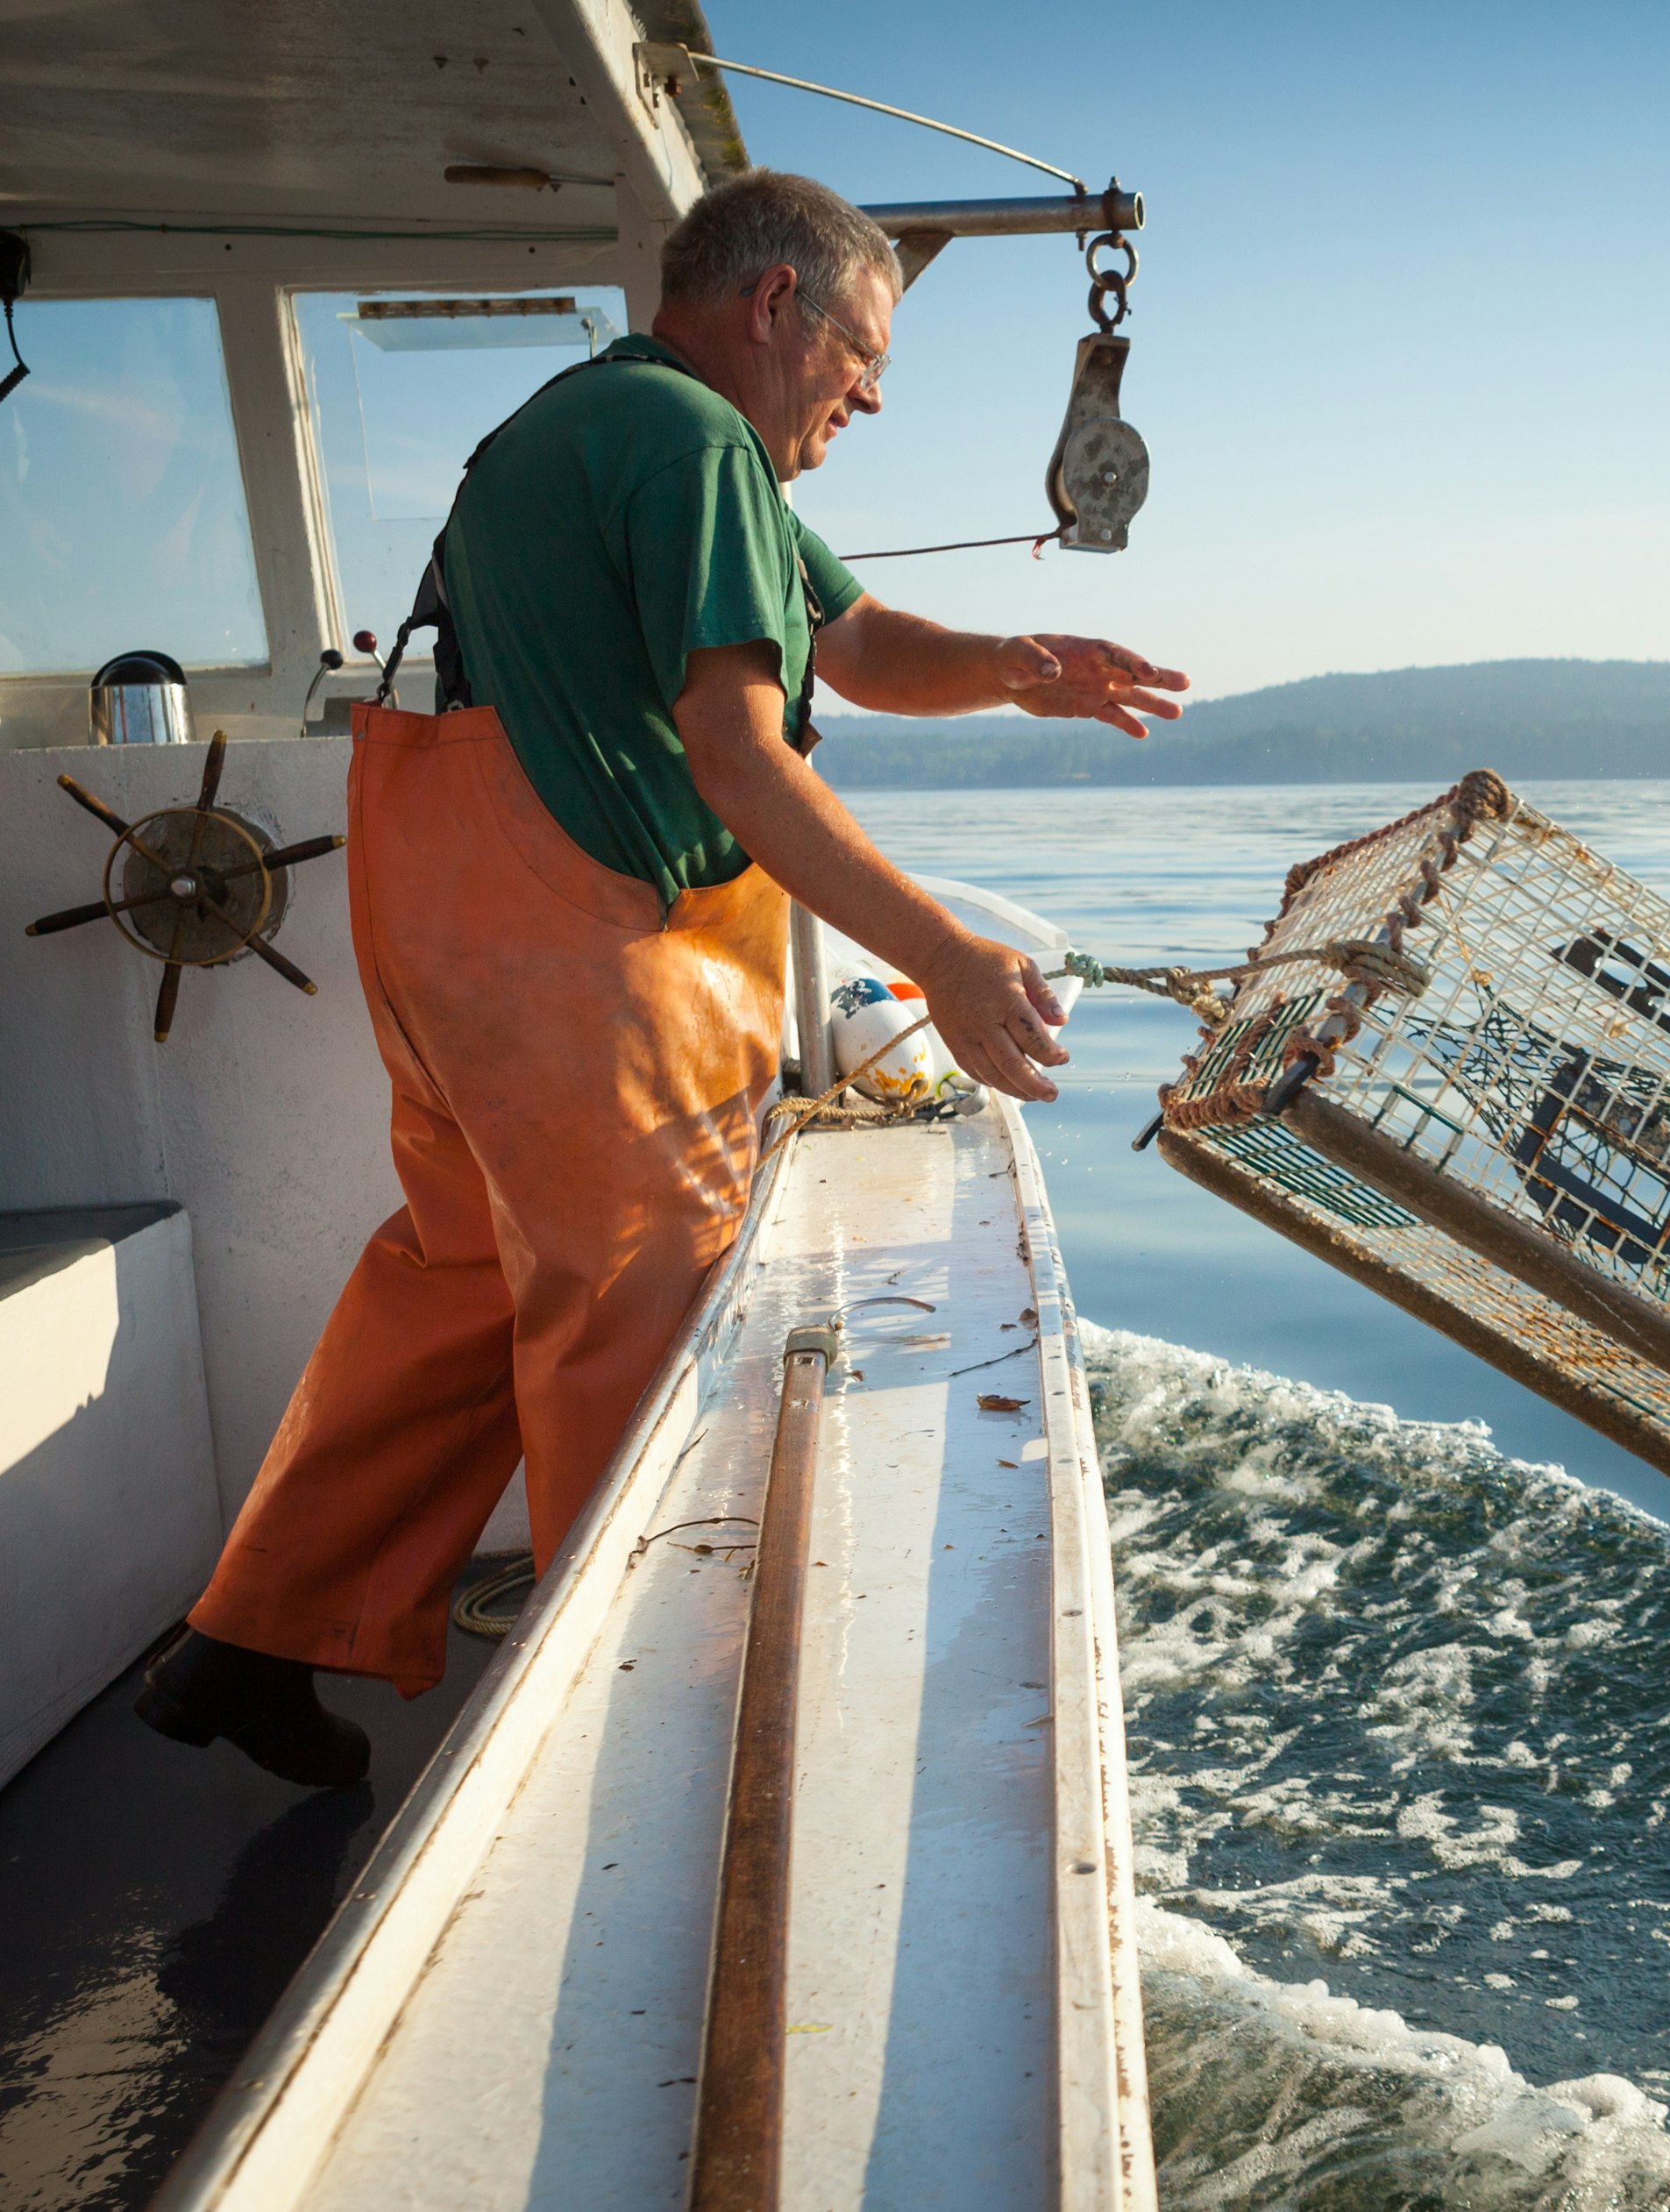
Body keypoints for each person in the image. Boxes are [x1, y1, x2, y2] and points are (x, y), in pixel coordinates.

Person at [136, 170, 1187, 1785]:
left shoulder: (619, 436)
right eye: (864, 346)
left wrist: (1017, 671)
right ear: (775, 305)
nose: (877, 389)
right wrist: (951, 961)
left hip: (451, 946)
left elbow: (853, 639)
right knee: (633, 1334)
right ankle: (634, 1745)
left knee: (461, 1286)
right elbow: (741, 757)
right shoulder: (695, 443)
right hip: (580, 973)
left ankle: (257, 1636)